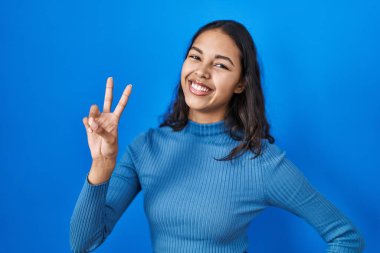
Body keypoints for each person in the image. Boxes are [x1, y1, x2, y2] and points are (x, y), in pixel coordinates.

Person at [70, 20, 365, 252]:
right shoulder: (147, 147)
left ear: (240, 84)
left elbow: (346, 237)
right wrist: (102, 166)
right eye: (195, 57)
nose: (202, 72)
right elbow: (83, 243)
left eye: (221, 64)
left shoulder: (260, 161)